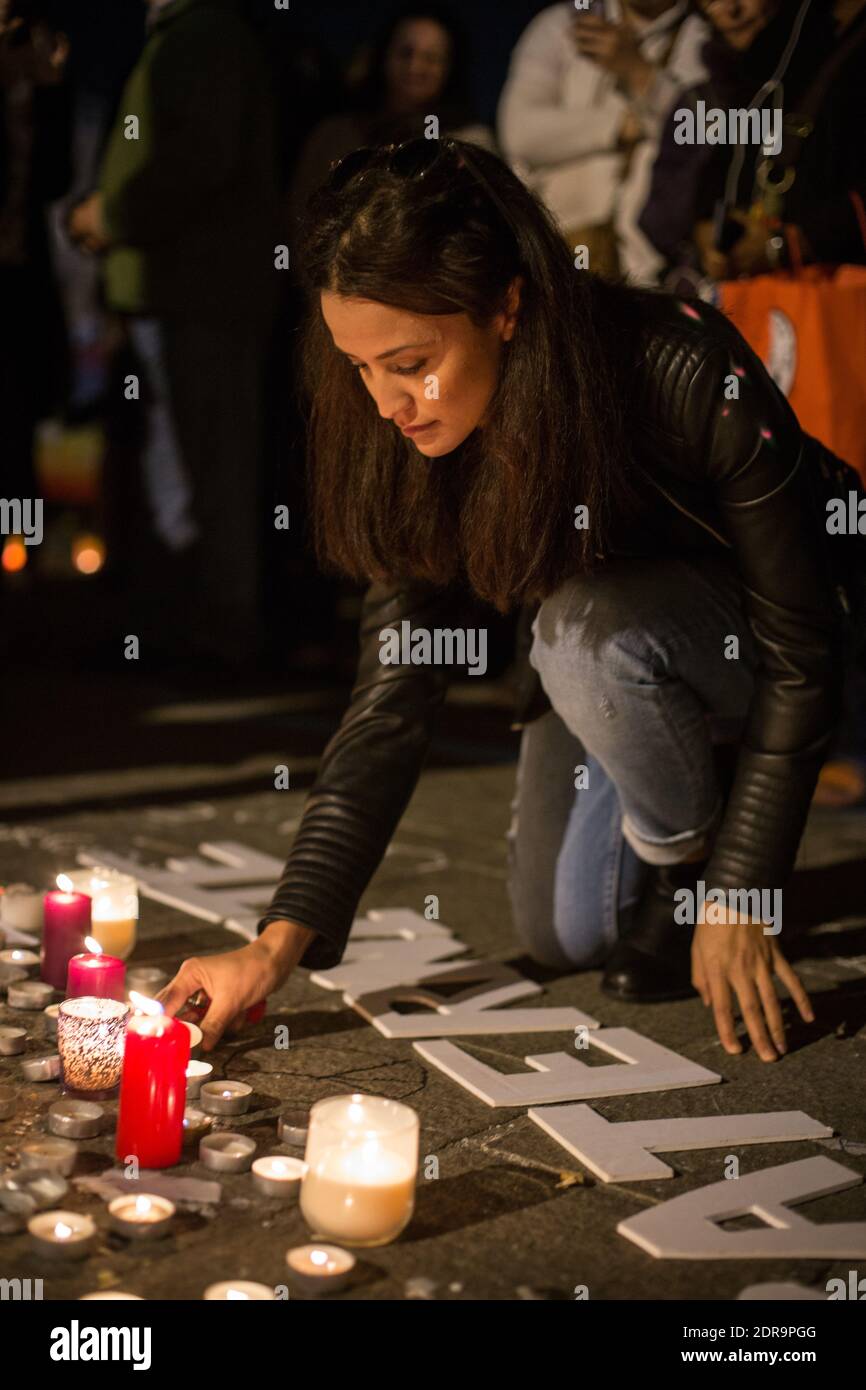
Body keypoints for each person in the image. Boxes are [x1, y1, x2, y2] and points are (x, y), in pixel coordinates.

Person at [159, 137, 866, 1066]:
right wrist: (276, 942)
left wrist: (739, 888)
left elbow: (800, 650)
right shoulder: (407, 435)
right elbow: (392, 700)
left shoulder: (682, 364)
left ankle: (687, 853)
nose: (387, 405)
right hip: (617, 668)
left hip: (751, 638)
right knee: (563, 934)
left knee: (578, 632)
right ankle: (682, 787)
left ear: (506, 306)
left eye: (410, 362)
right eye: (360, 367)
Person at [67, 0, 281, 666]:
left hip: (197, 293)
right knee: (179, 466)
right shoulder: (191, 32)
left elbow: (198, 155)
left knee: (197, 469)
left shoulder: (206, 31)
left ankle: (208, 637)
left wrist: (113, 213)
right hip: (180, 292)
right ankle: (178, 631)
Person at [497, 0, 708, 283]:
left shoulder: (701, 34)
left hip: (650, 274)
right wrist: (621, 125)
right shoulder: (563, 23)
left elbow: (703, 134)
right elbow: (519, 133)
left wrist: (639, 72)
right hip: (554, 260)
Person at [288, 4, 495, 230]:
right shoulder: (336, 135)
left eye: (432, 57)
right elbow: (303, 218)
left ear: (450, 68)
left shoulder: (469, 143)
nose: (416, 67)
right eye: (406, 53)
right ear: (384, 56)